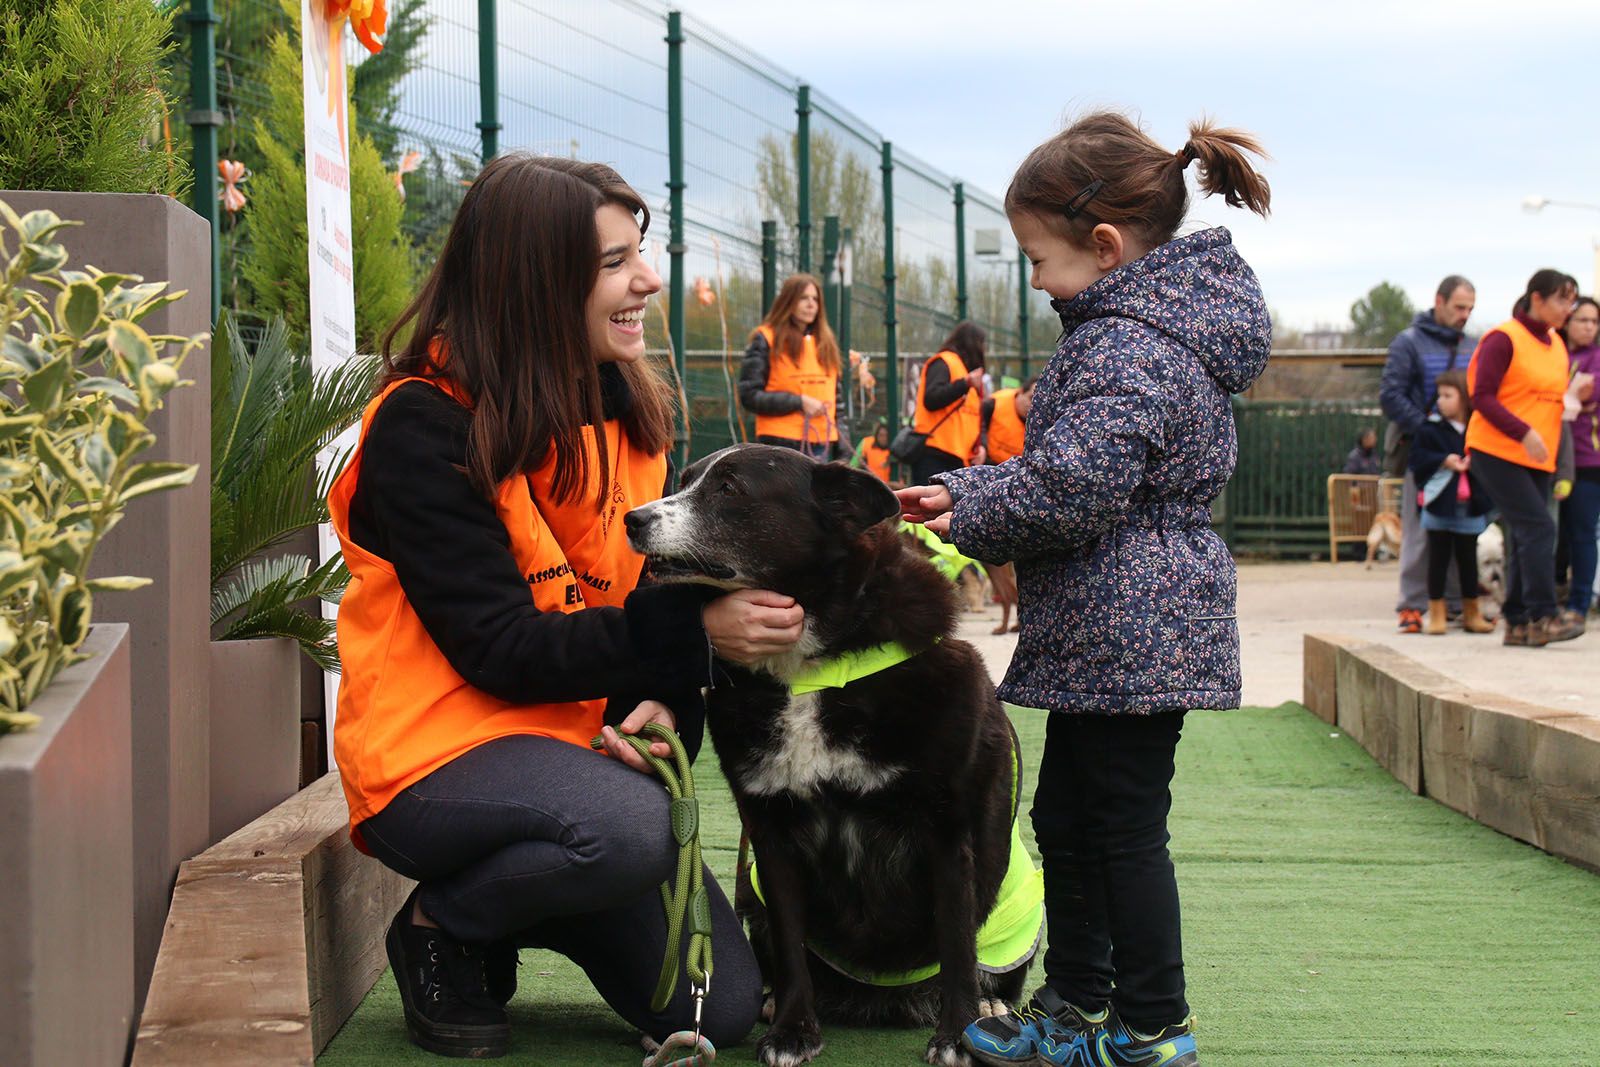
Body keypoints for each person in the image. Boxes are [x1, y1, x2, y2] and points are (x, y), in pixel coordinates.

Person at [327, 155, 798, 1058]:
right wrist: (693, 634)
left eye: (641, 251)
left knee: (722, 1009)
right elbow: (500, 646)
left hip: (572, 760)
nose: (648, 279)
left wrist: (669, 701)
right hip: (431, 757)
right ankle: (447, 922)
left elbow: (643, 621)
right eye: (616, 262)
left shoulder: (630, 414)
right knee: (628, 827)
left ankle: (533, 895)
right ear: (537, 282)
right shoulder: (421, 425)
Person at [899, 112, 1273, 1067]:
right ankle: (1076, 1002)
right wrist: (967, 487)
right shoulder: (1126, 331)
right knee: (1070, 819)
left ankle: (1152, 1023)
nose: (1030, 276)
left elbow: (1074, 484)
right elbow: (1072, 470)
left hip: (1134, 624)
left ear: (1104, 247)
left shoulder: (1129, 347)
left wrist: (964, 502)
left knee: (1119, 828)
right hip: (1112, 626)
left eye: (1035, 255)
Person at [1466, 269, 1586, 646]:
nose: (1568, 308)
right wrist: (1524, 432)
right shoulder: (1503, 338)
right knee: (1539, 528)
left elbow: (1550, 401)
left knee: (1524, 535)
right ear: (1537, 298)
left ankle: (1517, 623)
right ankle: (1544, 616)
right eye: (1562, 300)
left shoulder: (1556, 344)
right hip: (1496, 450)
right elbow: (1481, 396)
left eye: (1572, 300)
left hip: (1538, 456)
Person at [1380, 275, 1477, 633]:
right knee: (1421, 529)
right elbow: (1392, 395)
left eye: (1470, 308)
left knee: (1462, 525)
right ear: (1440, 302)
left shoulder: (1472, 345)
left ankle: (1454, 602)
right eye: (1459, 307)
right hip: (1423, 451)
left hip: (1463, 451)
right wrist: (1430, 433)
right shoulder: (1409, 343)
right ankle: (1413, 605)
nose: (1465, 314)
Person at [1407, 371, 1496, 635]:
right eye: (1440, 396)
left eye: (1448, 395)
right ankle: (1436, 614)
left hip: (1469, 506)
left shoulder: (1478, 428)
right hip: (1439, 503)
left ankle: (1472, 613)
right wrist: (1444, 460)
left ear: (1465, 398)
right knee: (1438, 560)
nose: (1442, 402)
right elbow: (1417, 459)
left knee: (1468, 561)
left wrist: (1473, 464)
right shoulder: (1430, 429)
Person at [738, 273, 844, 459]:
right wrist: (798, 402)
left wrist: (842, 445)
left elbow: (838, 401)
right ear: (789, 301)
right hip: (779, 443)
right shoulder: (765, 338)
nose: (811, 304)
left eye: (815, 299)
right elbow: (749, 395)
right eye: (804, 298)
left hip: (821, 443)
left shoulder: (826, 343)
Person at [979, 378, 1037, 634]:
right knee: (995, 566)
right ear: (1019, 393)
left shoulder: (1039, 423)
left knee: (1003, 566)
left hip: (1014, 491)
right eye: (1031, 397)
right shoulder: (992, 405)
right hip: (984, 483)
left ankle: (1018, 614)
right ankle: (1012, 615)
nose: (1033, 404)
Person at [1559, 296, 1600, 618]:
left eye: (1594, 321)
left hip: (1589, 460)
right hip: (1551, 458)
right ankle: (1554, 592)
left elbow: (1588, 395)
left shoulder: (1596, 358)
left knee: (1583, 532)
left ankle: (1579, 603)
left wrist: (1570, 399)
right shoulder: (1554, 354)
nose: (1588, 327)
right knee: (1555, 531)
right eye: (1582, 319)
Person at [909, 321, 988, 485]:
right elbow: (931, 399)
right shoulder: (945, 362)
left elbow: (975, 419)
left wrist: (981, 447)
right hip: (935, 453)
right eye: (982, 344)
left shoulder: (968, 375)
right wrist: (964, 384)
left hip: (960, 458)